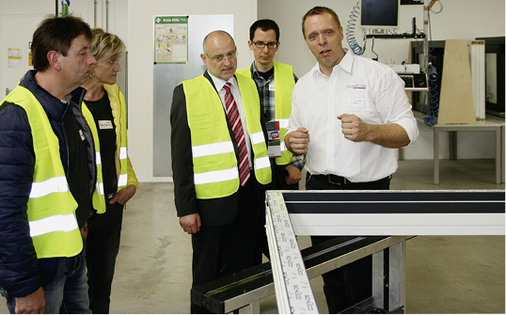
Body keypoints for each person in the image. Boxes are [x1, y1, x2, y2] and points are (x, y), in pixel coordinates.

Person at [285, 6, 419, 313]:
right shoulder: (303, 86)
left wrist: (371, 131)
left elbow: (409, 129)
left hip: (367, 192)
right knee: (330, 274)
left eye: (328, 32)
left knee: (365, 278)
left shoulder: (377, 75)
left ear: (341, 33)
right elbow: (293, 135)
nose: (322, 41)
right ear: (307, 42)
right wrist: (292, 142)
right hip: (319, 190)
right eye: (313, 36)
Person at [0, 15, 97, 314]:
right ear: (55, 59)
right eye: (83, 52)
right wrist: (25, 286)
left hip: (71, 255)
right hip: (39, 269)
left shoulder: (68, 107)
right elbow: (5, 211)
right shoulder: (16, 116)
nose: (92, 60)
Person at [170, 30, 271, 313]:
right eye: (218, 57)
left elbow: (257, 138)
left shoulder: (248, 85)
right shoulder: (187, 92)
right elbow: (180, 157)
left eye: (231, 54)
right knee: (208, 278)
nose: (227, 62)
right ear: (204, 59)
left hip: (250, 196)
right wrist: (185, 208)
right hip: (210, 206)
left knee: (245, 273)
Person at [81, 28, 138, 314]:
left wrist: (130, 182)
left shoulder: (115, 97)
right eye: (111, 62)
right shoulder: (68, 101)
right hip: (79, 212)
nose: (117, 67)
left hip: (111, 208)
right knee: (74, 286)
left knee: (102, 284)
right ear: (91, 62)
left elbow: (120, 148)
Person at [237, 19, 304, 191]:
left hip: (283, 165)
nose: (265, 50)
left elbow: (304, 122)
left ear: (277, 45)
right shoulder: (238, 80)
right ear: (250, 45)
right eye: (259, 44)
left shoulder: (290, 77)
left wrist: (297, 163)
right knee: (252, 218)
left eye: (270, 44)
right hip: (249, 165)